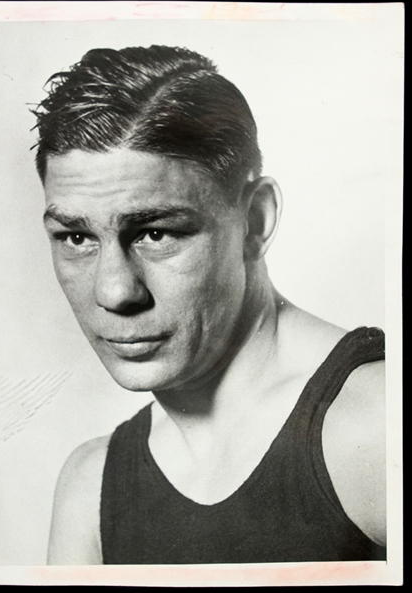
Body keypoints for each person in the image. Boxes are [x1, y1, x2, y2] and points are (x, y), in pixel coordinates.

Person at [32, 45, 386, 565]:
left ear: (256, 222)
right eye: (76, 238)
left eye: (155, 232)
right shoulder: (90, 485)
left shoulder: (377, 426)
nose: (113, 292)